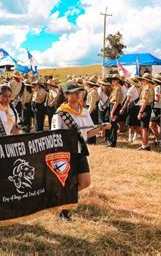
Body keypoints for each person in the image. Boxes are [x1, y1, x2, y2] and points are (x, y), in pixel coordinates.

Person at [51, 81, 110, 221]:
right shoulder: (60, 114)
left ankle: (61, 197)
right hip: (67, 153)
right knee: (69, 182)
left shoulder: (83, 111)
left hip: (80, 151)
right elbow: (55, 137)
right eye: (74, 92)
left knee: (85, 182)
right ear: (66, 95)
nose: (78, 94)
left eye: (79, 92)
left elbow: (88, 133)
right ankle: (64, 211)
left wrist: (102, 127)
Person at [120, 74, 142, 143]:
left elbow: (127, 100)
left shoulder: (131, 89)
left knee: (130, 124)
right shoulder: (140, 88)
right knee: (137, 123)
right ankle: (135, 137)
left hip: (131, 107)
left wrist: (123, 108)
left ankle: (130, 138)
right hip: (138, 106)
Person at [137, 73, 155, 150]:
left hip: (145, 108)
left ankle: (144, 145)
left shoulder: (147, 88)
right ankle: (145, 144)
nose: (142, 81)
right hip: (148, 107)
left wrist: (140, 112)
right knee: (145, 127)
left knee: (144, 128)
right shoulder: (150, 87)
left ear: (146, 80)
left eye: (143, 79)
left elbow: (145, 101)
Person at [106, 74, 122, 147]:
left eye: (114, 79)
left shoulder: (118, 88)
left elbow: (116, 101)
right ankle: (111, 141)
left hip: (114, 107)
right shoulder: (115, 88)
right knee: (112, 125)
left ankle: (112, 142)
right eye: (112, 79)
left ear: (118, 81)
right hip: (113, 106)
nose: (112, 81)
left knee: (113, 125)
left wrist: (112, 112)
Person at [85, 76, 100, 144]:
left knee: (91, 125)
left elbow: (92, 104)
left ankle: (91, 140)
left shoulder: (93, 92)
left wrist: (88, 113)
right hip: (91, 109)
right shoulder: (93, 91)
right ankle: (90, 139)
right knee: (90, 125)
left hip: (92, 110)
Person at [150, 74, 161, 146]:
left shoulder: (157, 87)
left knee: (151, 125)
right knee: (158, 125)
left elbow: (157, 99)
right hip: (159, 107)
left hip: (156, 108)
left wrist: (150, 99)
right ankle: (159, 139)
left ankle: (159, 139)